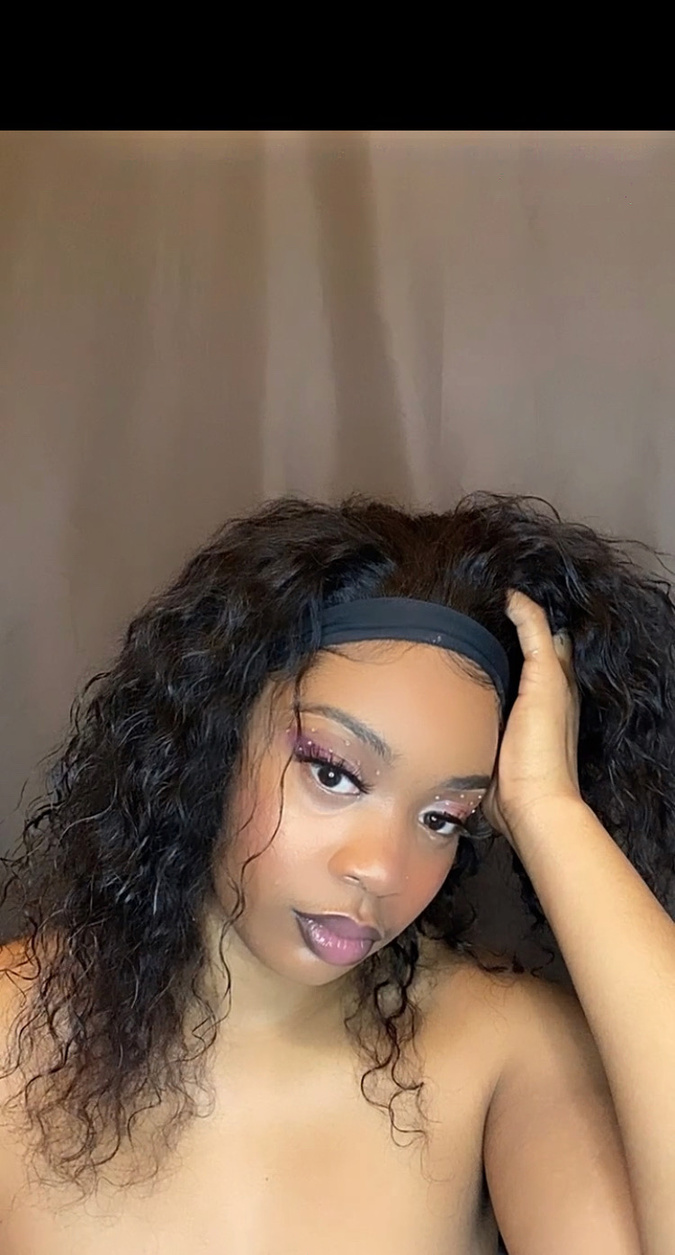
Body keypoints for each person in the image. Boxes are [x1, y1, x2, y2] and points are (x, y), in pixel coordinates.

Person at [1, 490, 674, 1255]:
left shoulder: (504, 1051)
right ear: (214, 736)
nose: (380, 869)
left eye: (442, 817)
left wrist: (550, 810)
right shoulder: (12, 1033)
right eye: (333, 774)